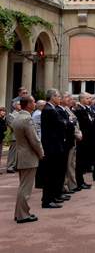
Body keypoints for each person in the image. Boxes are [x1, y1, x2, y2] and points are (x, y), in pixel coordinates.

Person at [12, 95, 44, 223]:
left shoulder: (18, 117)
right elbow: (34, 140)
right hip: (28, 156)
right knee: (25, 188)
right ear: (29, 104)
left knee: (23, 186)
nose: (35, 104)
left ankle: (19, 212)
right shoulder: (27, 119)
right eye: (33, 102)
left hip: (21, 155)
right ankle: (23, 215)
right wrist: (41, 152)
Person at [40, 88, 67, 208]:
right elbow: (61, 124)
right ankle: (47, 200)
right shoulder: (49, 110)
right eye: (58, 96)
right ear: (52, 97)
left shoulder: (50, 109)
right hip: (52, 146)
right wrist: (67, 122)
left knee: (54, 173)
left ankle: (52, 196)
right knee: (50, 174)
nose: (59, 98)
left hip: (54, 145)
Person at [73, 92, 93, 189]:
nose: (90, 99)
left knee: (81, 161)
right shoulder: (80, 110)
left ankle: (81, 181)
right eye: (87, 98)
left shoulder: (84, 109)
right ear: (81, 99)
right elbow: (86, 124)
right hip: (82, 139)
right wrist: (90, 120)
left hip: (86, 138)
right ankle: (79, 181)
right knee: (79, 162)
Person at [6, 99, 20, 172]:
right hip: (14, 136)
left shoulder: (21, 114)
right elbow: (13, 126)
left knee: (19, 152)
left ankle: (16, 166)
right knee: (13, 152)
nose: (20, 106)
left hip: (21, 137)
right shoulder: (11, 115)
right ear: (14, 106)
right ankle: (10, 166)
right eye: (19, 104)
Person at [0, 106, 6, 174]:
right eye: (2, 111)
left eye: (4, 111)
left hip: (1, 137)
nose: (4, 113)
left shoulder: (3, 119)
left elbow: (5, 128)